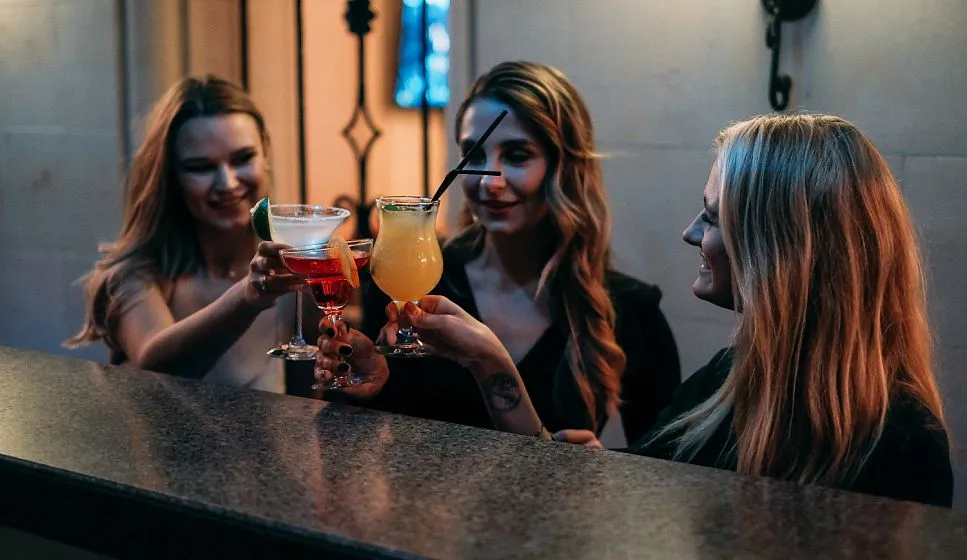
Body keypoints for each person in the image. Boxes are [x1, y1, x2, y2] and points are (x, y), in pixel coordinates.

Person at [365, 113, 953, 507]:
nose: (690, 232)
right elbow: (636, 510)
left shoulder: (900, 444)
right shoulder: (728, 381)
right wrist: (491, 364)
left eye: (713, 218)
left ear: (781, 251)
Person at [317, 61, 681, 442]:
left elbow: (668, 465)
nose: (489, 181)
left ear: (564, 168)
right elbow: (368, 440)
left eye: (517, 155)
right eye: (473, 156)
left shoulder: (632, 311)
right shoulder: (410, 280)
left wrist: (598, 466)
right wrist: (360, 386)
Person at [66, 75, 306, 391]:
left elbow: (312, 396)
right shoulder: (133, 276)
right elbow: (157, 364)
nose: (227, 183)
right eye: (201, 167)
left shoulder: (292, 265)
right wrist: (247, 296)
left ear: (266, 153)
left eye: (243, 159)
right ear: (172, 177)